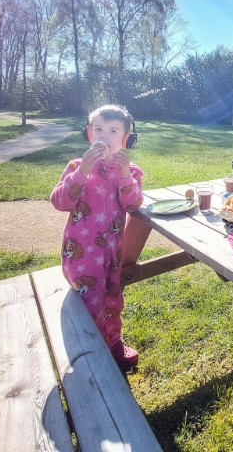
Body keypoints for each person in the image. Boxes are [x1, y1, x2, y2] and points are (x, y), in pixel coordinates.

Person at [50, 105, 144, 370]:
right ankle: (93, 355)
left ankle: (114, 344)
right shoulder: (77, 167)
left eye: (113, 131)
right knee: (90, 305)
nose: (105, 136)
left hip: (112, 253)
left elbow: (133, 205)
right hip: (80, 254)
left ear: (126, 139)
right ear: (89, 134)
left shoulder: (130, 171)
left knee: (112, 299)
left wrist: (126, 175)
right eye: (99, 129)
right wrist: (83, 172)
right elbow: (60, 202)